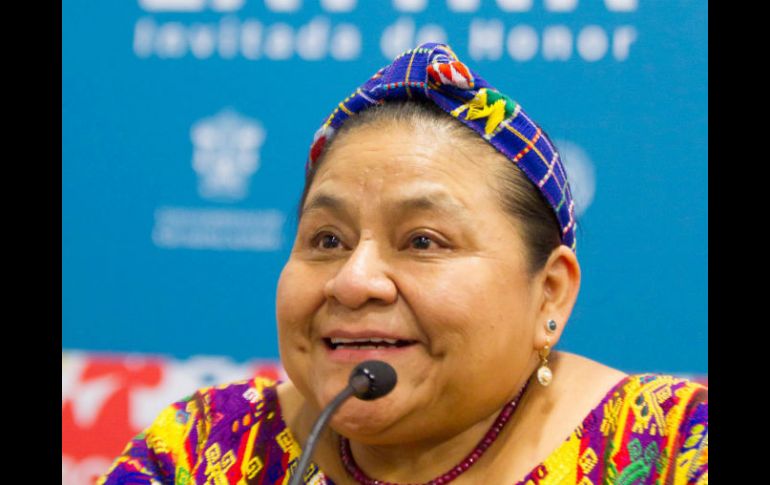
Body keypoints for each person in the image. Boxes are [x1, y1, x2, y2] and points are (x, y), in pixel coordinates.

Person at [98, 43, 707, 485]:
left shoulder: (675, 447)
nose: (354, 280)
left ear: (549, 293)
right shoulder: (206, 449)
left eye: (422, 241)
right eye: (327, 240)